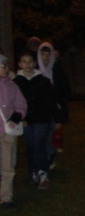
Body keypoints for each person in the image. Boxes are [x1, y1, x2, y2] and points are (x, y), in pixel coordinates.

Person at [14, 52, 59, 190]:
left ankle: (43, 173)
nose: (27, 64)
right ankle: (33, 172)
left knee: (39, 144)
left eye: (30, 61)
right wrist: (21, 118)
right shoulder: (16, 82)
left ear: (34, 63)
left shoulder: (43, 81)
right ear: (20, 64)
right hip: (25, 121)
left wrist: (54, 117)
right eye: (24, 61)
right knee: (31, 147)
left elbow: (49, 101)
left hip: (41, 120)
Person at [0, 55, 28, 208]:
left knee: (8, 166)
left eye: (6, 65)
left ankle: (6, 197)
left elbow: (21, 103)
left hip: (8, 131)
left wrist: (17, 115)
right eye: (3, 66)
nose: (6, 68)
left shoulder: (11, 85)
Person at [36, 42, 70, 165]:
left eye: (48, 54)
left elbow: (64, 91)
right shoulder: (36, 72)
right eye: (43, 54)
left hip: (55, 110)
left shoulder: (57, 71)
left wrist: (61, 114)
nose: (46, 57)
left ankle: (50, 157)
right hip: (40, 111)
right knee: (41, 136)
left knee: (52, 135)